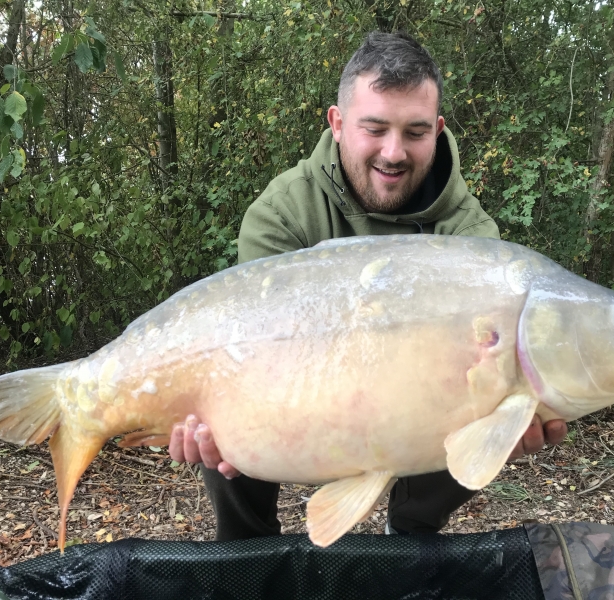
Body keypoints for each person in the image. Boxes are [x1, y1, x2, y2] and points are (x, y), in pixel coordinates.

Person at [169, 31, 567, 540]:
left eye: (415, 132)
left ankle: (411, 535)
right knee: (223, 405)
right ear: (337, 124)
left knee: (490, 398)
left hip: (414, 403)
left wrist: (508, 415)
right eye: (374, 128)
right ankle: (247, 549)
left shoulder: (471, 237)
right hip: (299, 392)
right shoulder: (283, 211)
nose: (394, 152)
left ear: (438, 129)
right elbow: (254, 352)